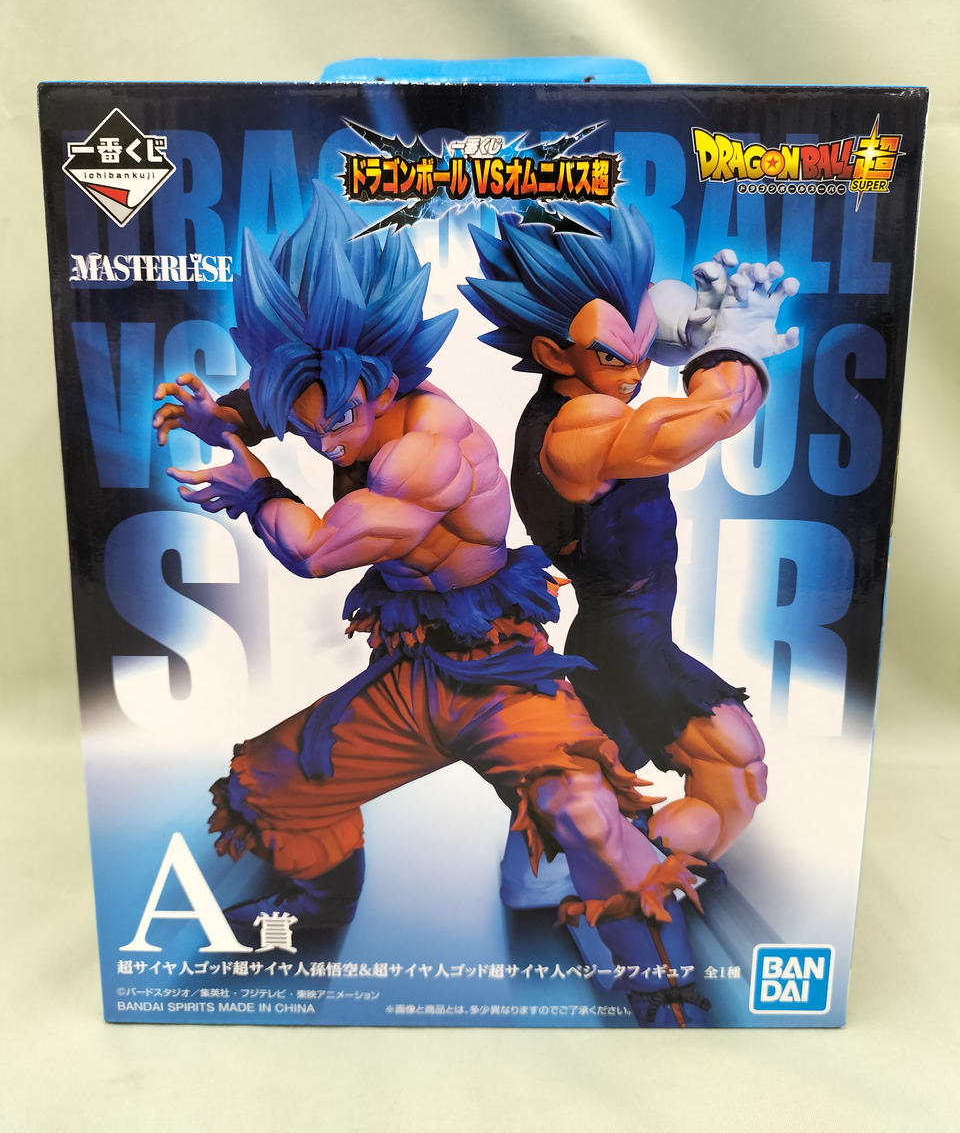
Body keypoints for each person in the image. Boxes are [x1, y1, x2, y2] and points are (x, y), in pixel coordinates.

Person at [153, 184, 711, 1027]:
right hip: (410, 669)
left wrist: (256, 485)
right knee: (268, 784)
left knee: (584, 812)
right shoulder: (332, 398)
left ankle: (663, 992)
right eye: (306, 428)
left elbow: (314, 552)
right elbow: (295, 397)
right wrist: (223, 415)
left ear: (382, 383)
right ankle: (320, 908)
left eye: (341, 420)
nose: (328, 444)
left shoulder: (426, 452)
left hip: (501, 672)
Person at [462, 205, 799, 865]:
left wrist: (687, 332)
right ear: (552, 354)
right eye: (616, 355)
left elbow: (639, 355)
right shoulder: (577, 427)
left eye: (644, 348)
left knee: (589, 774)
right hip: (627, 640)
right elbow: (716, 411)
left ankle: (546, 865)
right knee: (735, 765)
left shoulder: (586, 394)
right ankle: (631, 871)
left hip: (612, 635)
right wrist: (728, 349)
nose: (637, 372)